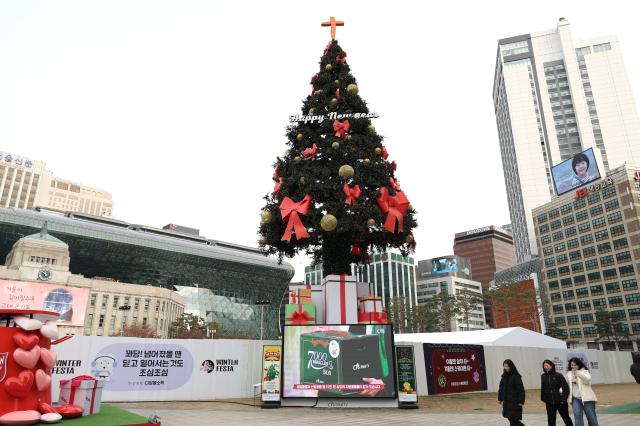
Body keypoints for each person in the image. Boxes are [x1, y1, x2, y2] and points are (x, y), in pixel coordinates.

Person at [567, 357, 598, 426]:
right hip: (575, 399)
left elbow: (587, 380)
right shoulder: (569, 374)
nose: (573, 366)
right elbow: (566, 384)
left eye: (575, 365)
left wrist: (577, 373)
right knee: (577, 415)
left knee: (591, 417)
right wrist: (560, 390)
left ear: (579, 365)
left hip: (587, 399)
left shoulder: (585, 372)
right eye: (572, 365)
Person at [540, 360, 573, 426]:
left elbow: (565, 387)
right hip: (549, 402)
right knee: (551, 419)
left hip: (560, 402)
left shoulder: (558, 375)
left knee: (566, 417)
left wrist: (563, 399)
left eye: (547, 365)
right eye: (544, 366)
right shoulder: (543, 376)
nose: (546, 367)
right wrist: (543, 398)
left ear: (551, 365)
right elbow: (543, 388)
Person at [498, 359, 526, 426]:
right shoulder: (504, 376)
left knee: (513, 420)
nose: (505, 368)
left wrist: (521, 401)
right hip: (507, 402)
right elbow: (501, 388)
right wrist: (500, 398)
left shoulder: (516, 377)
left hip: (515, 402)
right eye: (504, 366)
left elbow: (521, 390)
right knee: (511, 419)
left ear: (511, 366)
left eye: (507, 366)